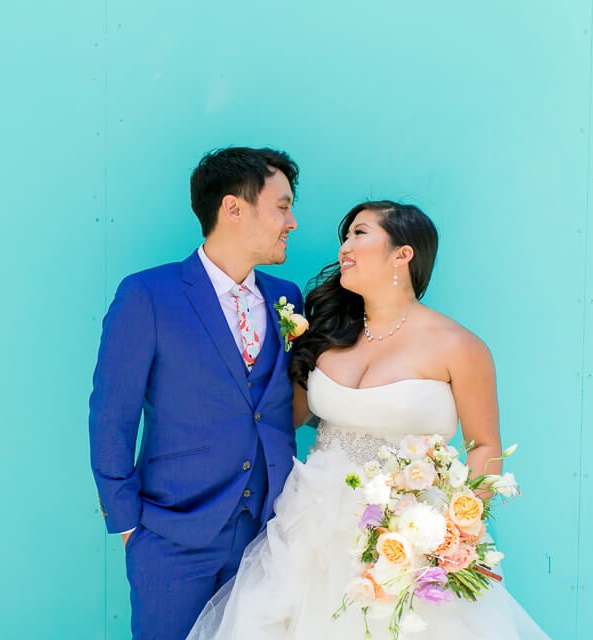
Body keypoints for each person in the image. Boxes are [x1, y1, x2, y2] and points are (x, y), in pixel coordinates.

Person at [187, 200, 550, 639]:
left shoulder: (459, 346)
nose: (345, 247)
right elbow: (285, 417)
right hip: (309, 530)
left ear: (403, 253)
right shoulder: (325, 334)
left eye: (360, 233)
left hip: (409, 534)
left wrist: (458, 532)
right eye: (345, 236)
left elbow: (485, 445)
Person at [89, 147, 305, 640]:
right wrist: (129, 527)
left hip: (266, 531)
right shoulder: (149, 295)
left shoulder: (286, 297)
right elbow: (110, 417)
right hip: (171, 534)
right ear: (233, 208)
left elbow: (279, 403)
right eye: (281, 205)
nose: (291, 221)